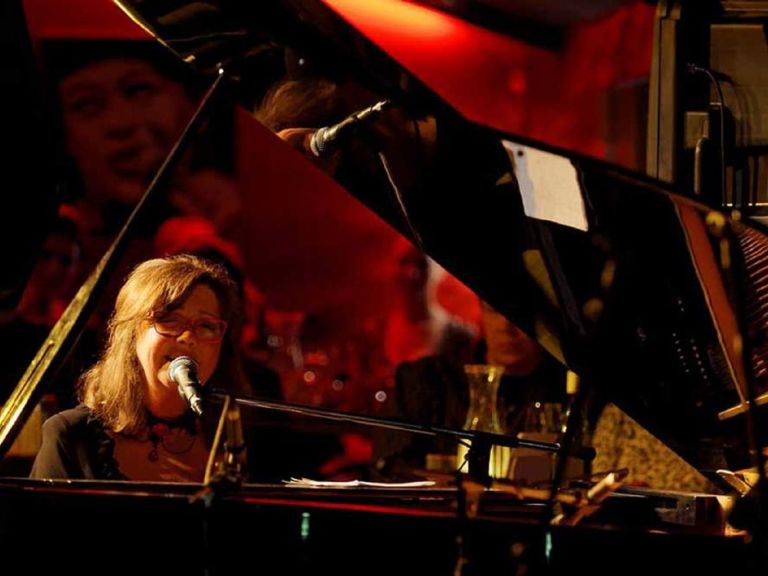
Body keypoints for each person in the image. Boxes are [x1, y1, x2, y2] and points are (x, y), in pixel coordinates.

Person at [30, 253, 247, 481]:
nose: (188, 337)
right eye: (170, 319)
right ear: (132, 333)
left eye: (206, 325)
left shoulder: (239, 436)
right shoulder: (71, 436)